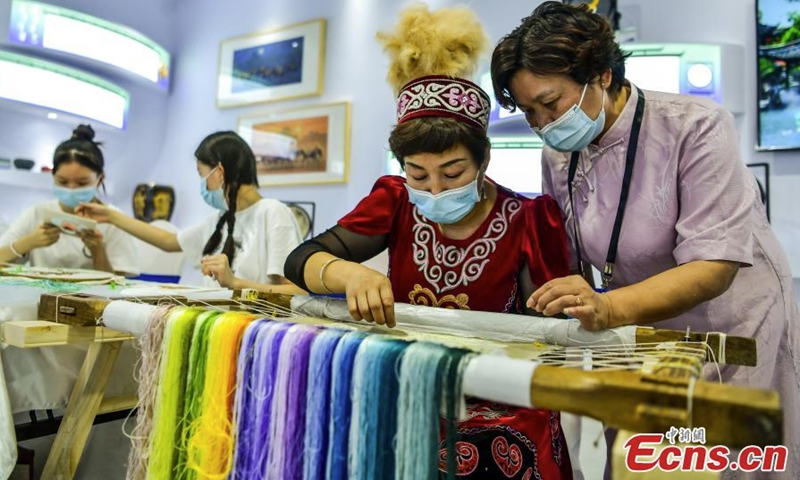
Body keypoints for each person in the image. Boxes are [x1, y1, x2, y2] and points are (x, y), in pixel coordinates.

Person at [491, 2, 800, 478]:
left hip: (730, 325)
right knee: (643, 457)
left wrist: (609, 307)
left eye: (550, 104)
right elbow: (570, 260)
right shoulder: (559, 156)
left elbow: (714, 265)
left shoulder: (694, 125)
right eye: (530, 113)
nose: (543, 125)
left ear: (601, 76)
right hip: (637, 333)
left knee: (724, 459)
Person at [285, 5, 572, 479]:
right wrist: (350, 273)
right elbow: (301, 259)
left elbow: (548, 341)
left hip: (503, 415)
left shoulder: (528, 219)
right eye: (418, 174)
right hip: (409, 398)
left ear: (483, 161)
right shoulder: (396, 202)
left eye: (453, 173)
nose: (434, 190)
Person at [78, 131, 304, 293]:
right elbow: (168, 241)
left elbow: (296, 292)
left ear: (219, 172)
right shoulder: (222, 218)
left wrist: (236, 283)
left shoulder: (273, 213)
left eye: (201, 174)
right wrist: (110, 215)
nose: (202, 184)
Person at [0, 125, 138, 275]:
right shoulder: (37, 213)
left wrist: (98, 251)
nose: (71, 189)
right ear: (53, 177)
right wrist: (28, 242)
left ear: (100, 179)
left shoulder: (113, 220)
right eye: (63, 182)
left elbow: (119, 285)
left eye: (82, 183)